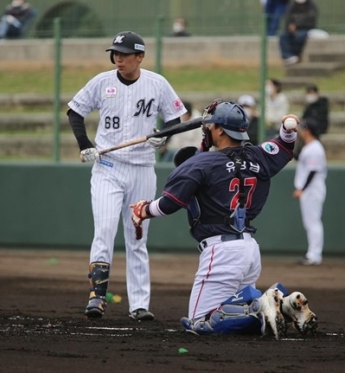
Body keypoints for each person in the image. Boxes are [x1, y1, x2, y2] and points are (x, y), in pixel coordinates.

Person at [128, 100, 317, 338]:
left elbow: (169, 204)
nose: (206, 129)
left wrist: (144, 210)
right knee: (235, 316)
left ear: (219, 130)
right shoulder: (258, 156)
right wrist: (287, 131)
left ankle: (260, 304)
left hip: (221, 251)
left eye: (209, 125)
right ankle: (285, 304)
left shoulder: (200, 163)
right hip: (249, 249)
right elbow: (284, 146)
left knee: (198, 322)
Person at [66, 31, 187, 321]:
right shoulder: (102, 82)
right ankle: (97, 296)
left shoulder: (157, 83)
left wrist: (164, 138)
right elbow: (74, 111)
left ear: (140, 57)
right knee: (105, 230)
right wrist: (85, 145)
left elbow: (174, 118)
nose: (118, 58)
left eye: (124, 53)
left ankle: (139, 305)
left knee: (137, 237)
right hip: (108, 166)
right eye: (115, 53)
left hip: (143, 168)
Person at [294, 119, 327, 266]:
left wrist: (302, 189)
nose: (300, 131)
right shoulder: (310, 147)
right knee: (310, 222)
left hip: (313, 189)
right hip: (310, 189)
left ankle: (315, 255)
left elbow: (313, 171)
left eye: (302, 129)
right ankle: (312, 253)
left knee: (313, 222)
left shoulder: (315, 148)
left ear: (307, 131)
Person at [294, 83, 328, 159]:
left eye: (312, 93)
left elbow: (322, 120)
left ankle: (296, 153)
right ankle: (295, 152)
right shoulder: (309, 106)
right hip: (307, 126)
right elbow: (303, 118)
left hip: (317, 128)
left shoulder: (322, 105)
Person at [279, 0, 319, 65]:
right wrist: (290, 25)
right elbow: (288, 17)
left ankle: (295, 55)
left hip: (305, 28)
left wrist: (297, 25)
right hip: (292, 28)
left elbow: (311, 19)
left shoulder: (311, 5)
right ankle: (288, 56)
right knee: (283, 36)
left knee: (299, 37)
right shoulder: (292, 5)